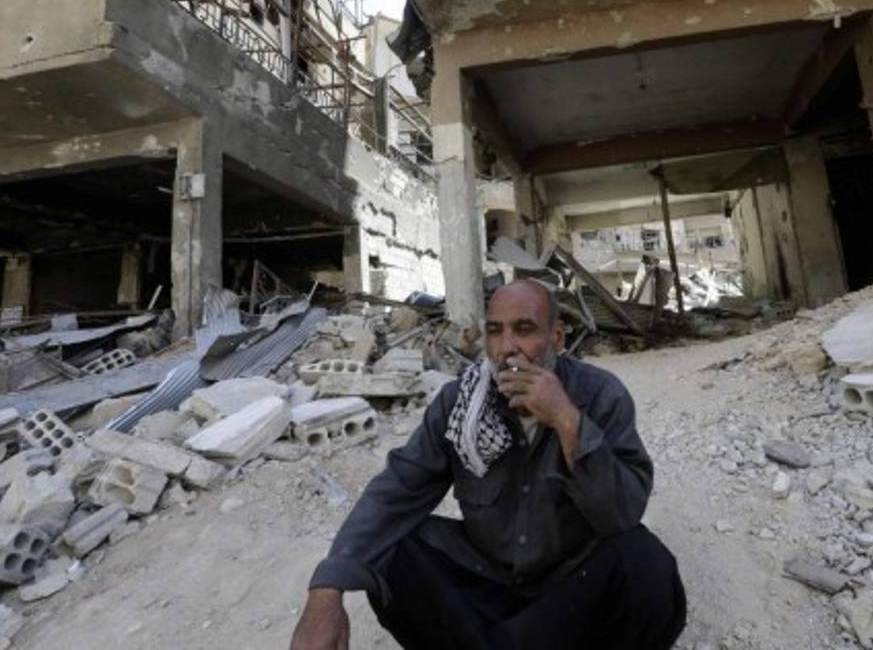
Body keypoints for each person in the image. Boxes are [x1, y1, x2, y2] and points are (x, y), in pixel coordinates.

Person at [290, 278, 686, 650]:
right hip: (489, 580)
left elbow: (622, 514)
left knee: (644, 564)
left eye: (524, 329)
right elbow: (398, 489)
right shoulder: (460, 402)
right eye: (495, 331)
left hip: (569, 586)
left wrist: (567, 420)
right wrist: (326, 591)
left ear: (558, 338)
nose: (506, 348)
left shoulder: (599, 396)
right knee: (397, 548)